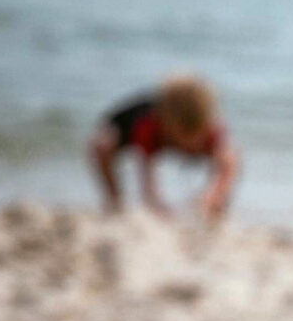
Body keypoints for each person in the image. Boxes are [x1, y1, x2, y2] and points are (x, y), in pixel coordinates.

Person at [89, 75, 239, 225]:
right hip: (128, 127)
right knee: (102, 145)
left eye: (194, 135)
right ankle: (115, 201)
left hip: (175, 128)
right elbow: (147, 182)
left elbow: (229, 164)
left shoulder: (212, 127)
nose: (188, 142)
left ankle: (216, 211)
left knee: (229, 157)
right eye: (183, 134)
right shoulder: (149, 126)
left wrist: (211, 196)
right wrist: (159, 207)